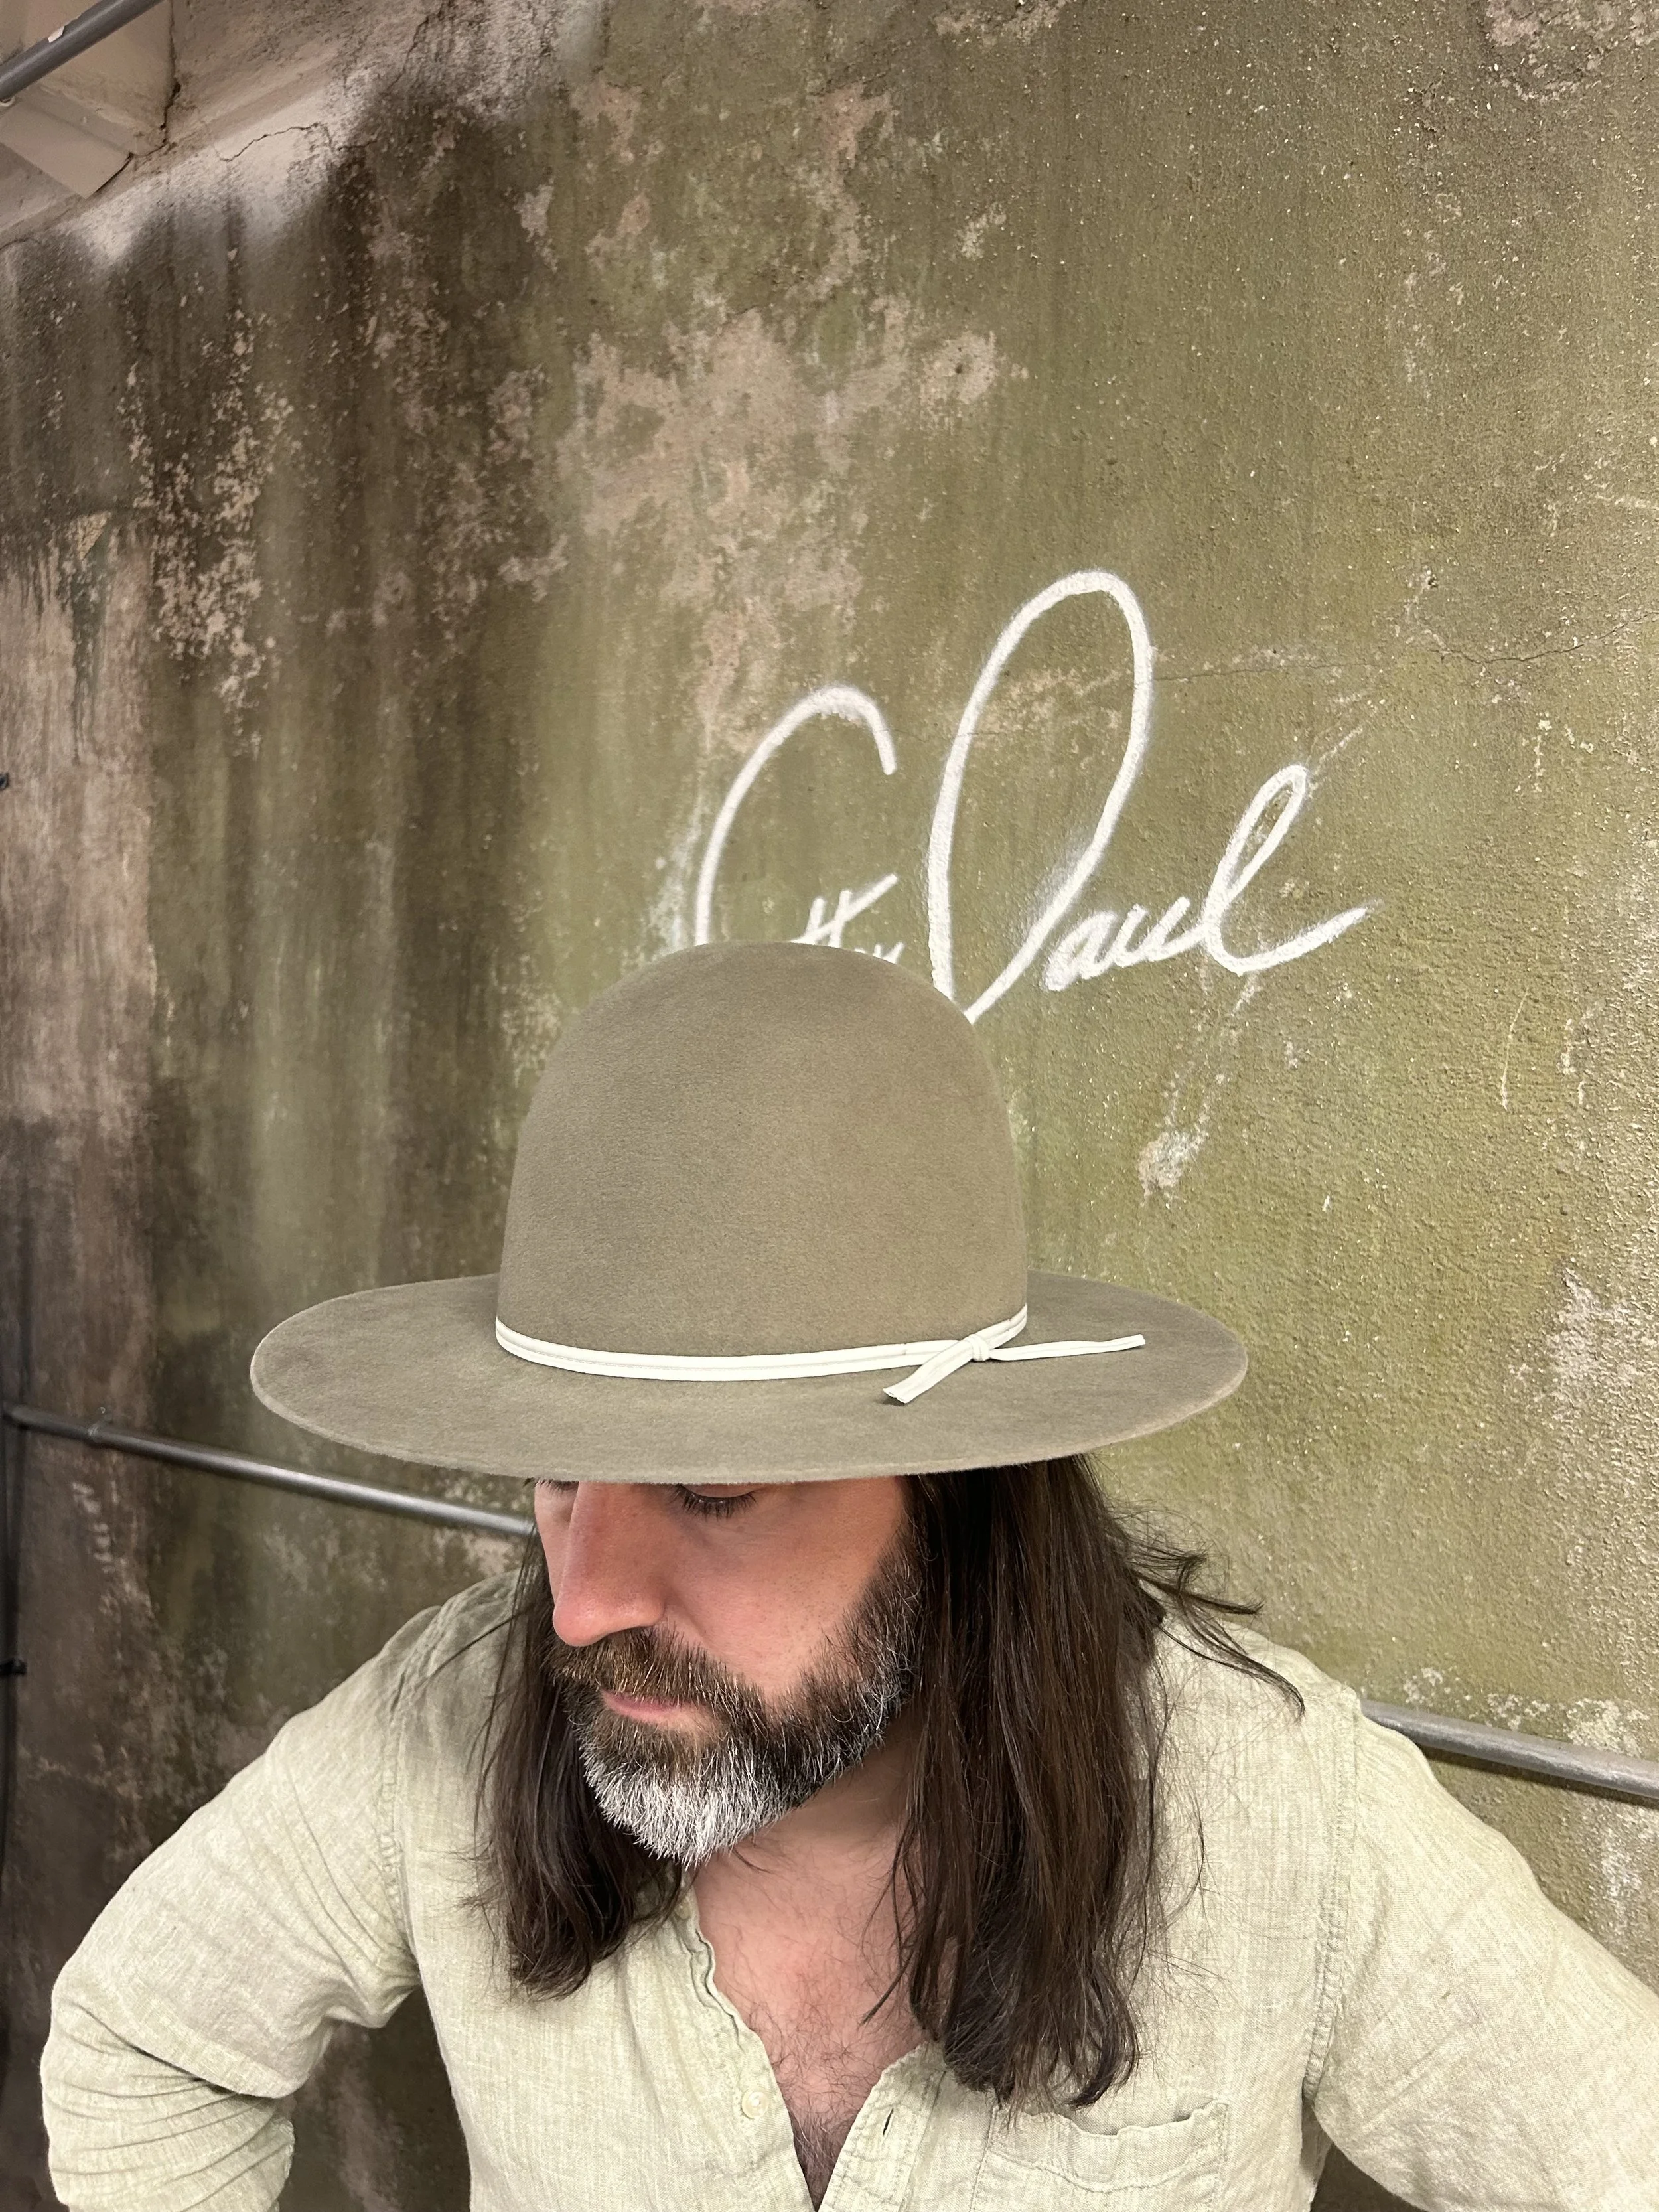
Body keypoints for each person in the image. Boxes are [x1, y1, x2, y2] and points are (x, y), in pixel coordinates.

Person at [41, 943, 1659, 2210]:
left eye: (714, 1492)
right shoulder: (453, 1714)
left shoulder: (1271, 1809)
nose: (584, 1602)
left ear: (957, 1496)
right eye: (551, 1474)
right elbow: (139, 2041)